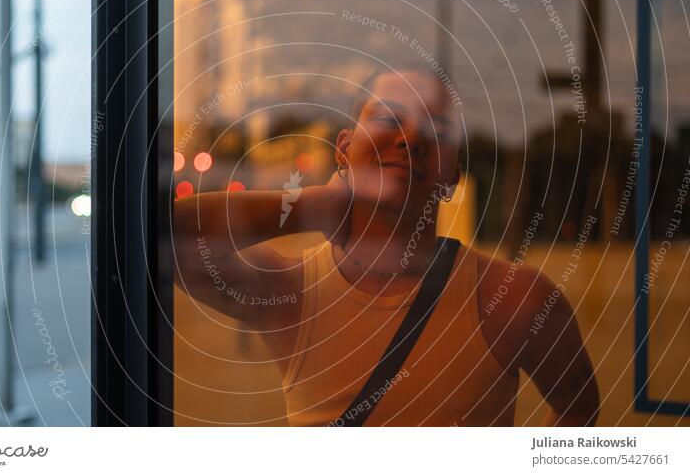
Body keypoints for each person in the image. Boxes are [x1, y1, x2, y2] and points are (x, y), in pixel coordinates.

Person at [173, 63, 599, 426]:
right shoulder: (293, 292)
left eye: (438, 129)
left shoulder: (517, 300)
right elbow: (162, 236)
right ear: (343, 148)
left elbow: (578, 410)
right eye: (389, 118)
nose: (412, 138)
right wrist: (311, 207)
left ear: (453, 175)